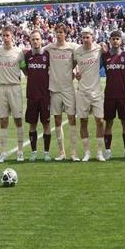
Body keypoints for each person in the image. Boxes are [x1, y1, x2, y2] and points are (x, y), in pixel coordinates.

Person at [44, 23, 80, 161]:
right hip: (54, 89)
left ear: (66, 33)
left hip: (68, 89)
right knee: (57, 120)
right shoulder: (49, 48)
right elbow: (38, 52)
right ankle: (61, 152)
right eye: (57, 32)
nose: (59, 34)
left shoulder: (73, 48)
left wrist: (75, 70)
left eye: (61, 32)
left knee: (71, 119)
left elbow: (80, 59)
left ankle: (74, 153)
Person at [73, 27, 105, 161]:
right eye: (83, 37)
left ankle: (99, 152)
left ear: (92, 37)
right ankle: (87, 153)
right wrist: (74, 72)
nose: (86, 40)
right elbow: (72, 65)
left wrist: (105, 46)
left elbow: (108, 52)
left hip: (96, 92)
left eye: (88, 37)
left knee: (100, 121)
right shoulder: (77, 52)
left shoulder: (99, 49)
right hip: (82, 92)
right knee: (83, 121)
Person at [0, 26, 25, 162]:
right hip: (2, 88)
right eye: (3, 35)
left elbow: (25, 69)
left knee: (18, 119)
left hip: (15, 88)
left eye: (8, 35)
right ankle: (3, 152)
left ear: (12, 36)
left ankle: (20, 151)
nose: (5, 38)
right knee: (3, 120)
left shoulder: (19, 52)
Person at [102, 30, 125, 160]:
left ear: (121, 41)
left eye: (117, 39)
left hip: (123, 95)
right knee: (108, 123)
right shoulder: (104, 56)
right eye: (113, 39)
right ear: (110, 40)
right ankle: (108, 151)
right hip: (109, 95)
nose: (115, 41)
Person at [23, 30, 51, 162]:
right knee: (32, 124)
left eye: (37, 39)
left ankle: (46, 152)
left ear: (41, 40)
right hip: (32, 96)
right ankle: (34, 152)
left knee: (46, 124)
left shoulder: (47, 54)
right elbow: (25, 70)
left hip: (45, 95)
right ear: (30, 41)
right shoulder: (27, 55)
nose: (35, 41)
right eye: (33, 39)